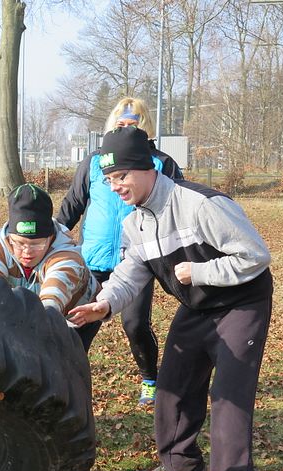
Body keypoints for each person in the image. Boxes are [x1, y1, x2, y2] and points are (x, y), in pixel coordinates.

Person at [68, 126, 273, 471]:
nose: (116, 187)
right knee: (173, 386)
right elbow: (130, 275)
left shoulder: (200, 204)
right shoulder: (134, 224)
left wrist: (199, 271)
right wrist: (105, 304)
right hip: (196, 308)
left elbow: (255, 256)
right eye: (109, 180)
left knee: (228, 398)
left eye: (122, 176)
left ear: (148, 167)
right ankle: (179, 463)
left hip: (241, 303)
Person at [57, 97, 184, 406]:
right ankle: (68, 385)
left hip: (138, 259)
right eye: (121, 123)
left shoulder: (162, 163)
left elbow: (178, 209)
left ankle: (150, 380)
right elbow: (72, 206)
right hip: (93, 260)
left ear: (146, 128)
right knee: (77, 325)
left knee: (135, 324)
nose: (126, 127)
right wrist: (53, 238)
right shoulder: (93, 162)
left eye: (133, 123)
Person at [0, 183, 98, 349]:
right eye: (19, 243)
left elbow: (51, 301)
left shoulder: (66, 255)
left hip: (77, 313)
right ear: (9, 236)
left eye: (36, 244)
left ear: (50, 238)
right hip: (29, 308)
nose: (27, 252)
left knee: (63, 361)